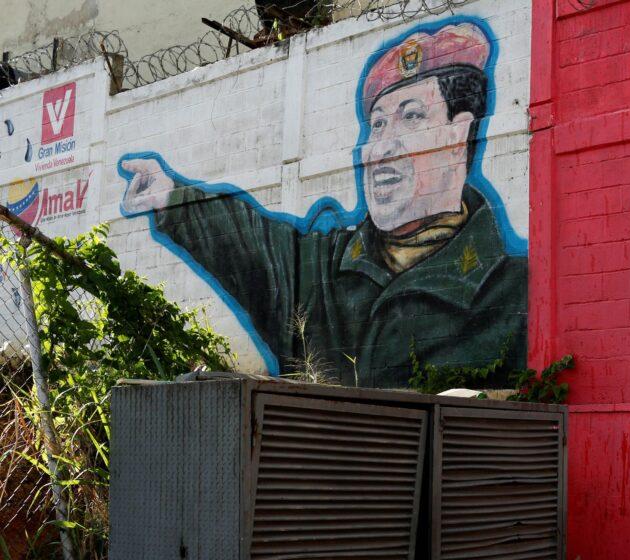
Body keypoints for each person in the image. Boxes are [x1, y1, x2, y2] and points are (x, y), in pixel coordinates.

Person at [119, 21, 527, 388]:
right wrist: (172, 196)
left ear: (460, 134)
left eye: (412, 117)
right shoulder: (325, 266)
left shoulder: (511, 291)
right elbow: (246, 243)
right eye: (378, 123)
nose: (382, 146)